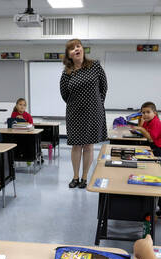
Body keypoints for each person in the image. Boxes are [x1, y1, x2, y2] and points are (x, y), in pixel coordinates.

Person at [60, 38, 108, 189]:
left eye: (78, 46)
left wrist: (96, 104)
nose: (76, 49)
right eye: (72, 48)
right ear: (69, 54)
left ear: (83, 50)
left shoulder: (95, 66)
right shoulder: (67, 73)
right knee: (76, 146)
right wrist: (77, 104)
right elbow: (64, 94)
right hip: (75, 113)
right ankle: (75, 177)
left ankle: (85, 177)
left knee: (88, 146)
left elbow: (104, 87)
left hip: (93, 112)